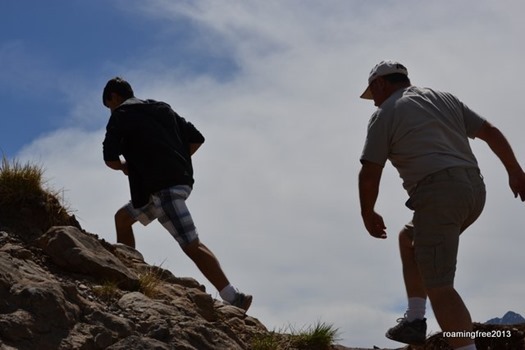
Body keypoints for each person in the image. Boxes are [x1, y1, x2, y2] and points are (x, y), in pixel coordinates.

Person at [358, 60, 525, 350]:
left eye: (373, 96)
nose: (374, 103)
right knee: (409, 239)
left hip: (439, 193)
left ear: (379, 84)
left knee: (439, 283)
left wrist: (367, 212)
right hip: (474, 191)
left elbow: (370, 172)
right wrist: (516, 172)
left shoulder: (385, 114)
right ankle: (415, 320)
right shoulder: (442, 98)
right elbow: (491, 132)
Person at [102, 77, 252, 311]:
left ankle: (234, 297)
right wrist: (172, 160)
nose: (110, 110)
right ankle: (129, 270)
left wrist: (125, 167)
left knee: (191, 244)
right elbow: (196, 139)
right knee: (123, 219)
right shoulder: (161, 108)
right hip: (169, 186)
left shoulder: (120, 115)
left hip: (162, 190)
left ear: (114, 97)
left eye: (109, 105)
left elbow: (110, 159)